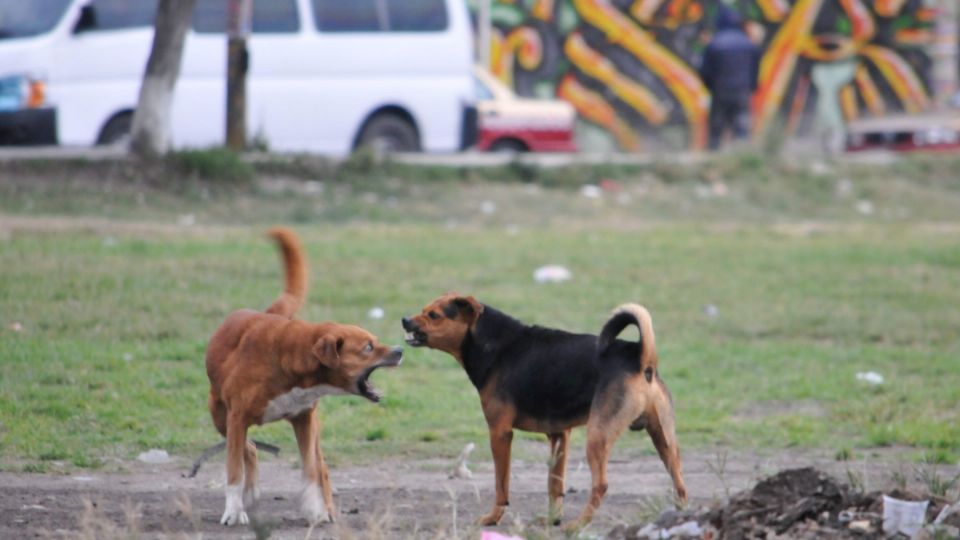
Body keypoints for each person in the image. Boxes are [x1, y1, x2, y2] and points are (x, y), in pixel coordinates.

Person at [699, 6, 761, 150]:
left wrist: (711, 87)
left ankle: (713, 158)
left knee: (716, 127)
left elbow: (704, 70)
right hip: (742, 91)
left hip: (720, 91)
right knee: (741, 127)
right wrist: (751, 87)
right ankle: (741, 158)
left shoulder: (714, 44)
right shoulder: (749, 44)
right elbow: (755, 69)